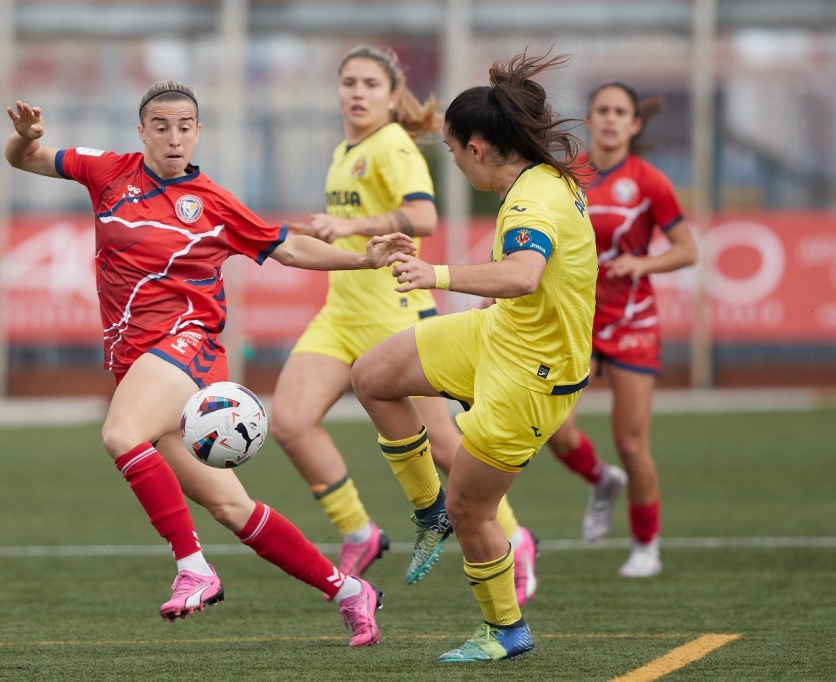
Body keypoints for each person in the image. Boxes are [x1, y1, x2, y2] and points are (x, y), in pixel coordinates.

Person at [4, 81, 417, 647]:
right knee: (230, 505)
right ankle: (348, 589)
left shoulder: (215, 202)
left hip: (189, 346)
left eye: (184, 126)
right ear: (142, 131)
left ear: (198, 132)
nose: (174, 137)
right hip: (136, 359)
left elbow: (289, 248)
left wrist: (361, 259)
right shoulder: (106, 171)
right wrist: (23, 138)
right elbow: (25, 158)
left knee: (122, 433)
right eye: (161, 126)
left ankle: (193, 567)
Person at [351, 51, 597, 663]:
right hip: (498, 336)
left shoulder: (531, 201)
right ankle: (427, 510)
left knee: (474, 507)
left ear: (480, 147)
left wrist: (431, 272)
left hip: (532, 376)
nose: (453, 162)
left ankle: (506, 631)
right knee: (374, 374)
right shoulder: (536, 181)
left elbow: (521, 274)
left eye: (453, 150)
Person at [270, 45, 538, 603]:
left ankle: (515, 539)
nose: (357, 92)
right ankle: (360, 532)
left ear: (393, 96)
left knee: (443, 445)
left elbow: (423, 216)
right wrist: (333, 231)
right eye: (349, 82)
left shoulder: (392, 146)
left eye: (371, 83)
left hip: (392, 311)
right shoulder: (346, 149)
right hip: (340, 312)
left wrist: (351, 224)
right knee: (291, 422)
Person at [546, 82, 698, 578]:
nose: (611, 119)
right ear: (589, 120)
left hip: (632, 321)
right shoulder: (565, 178)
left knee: (632, 443)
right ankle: (599, 479)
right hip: (577, 320)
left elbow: (686, 249)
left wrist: (643, 262)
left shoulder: (650, 182)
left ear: (634, 124)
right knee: (553, 427)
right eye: (602, 111)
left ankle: (645, 545)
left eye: (620, 112)